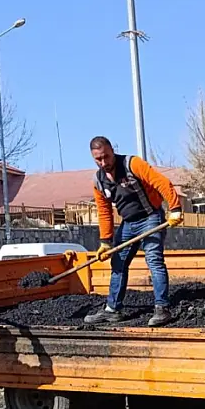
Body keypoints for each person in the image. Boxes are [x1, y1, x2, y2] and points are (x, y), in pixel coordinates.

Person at [83, 136, 184, 327]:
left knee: (153, 259)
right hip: (128, 224)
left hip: (150, 217)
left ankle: (162, 309)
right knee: (118, 263)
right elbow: (104, 212)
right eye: (98, 159)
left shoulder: (132, 164)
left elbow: (160, 182)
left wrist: (175, 208)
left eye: (106, 156)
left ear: (112, 150)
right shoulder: (98, 180)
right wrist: (105, 241)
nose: (103, 162)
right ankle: (113, 310)